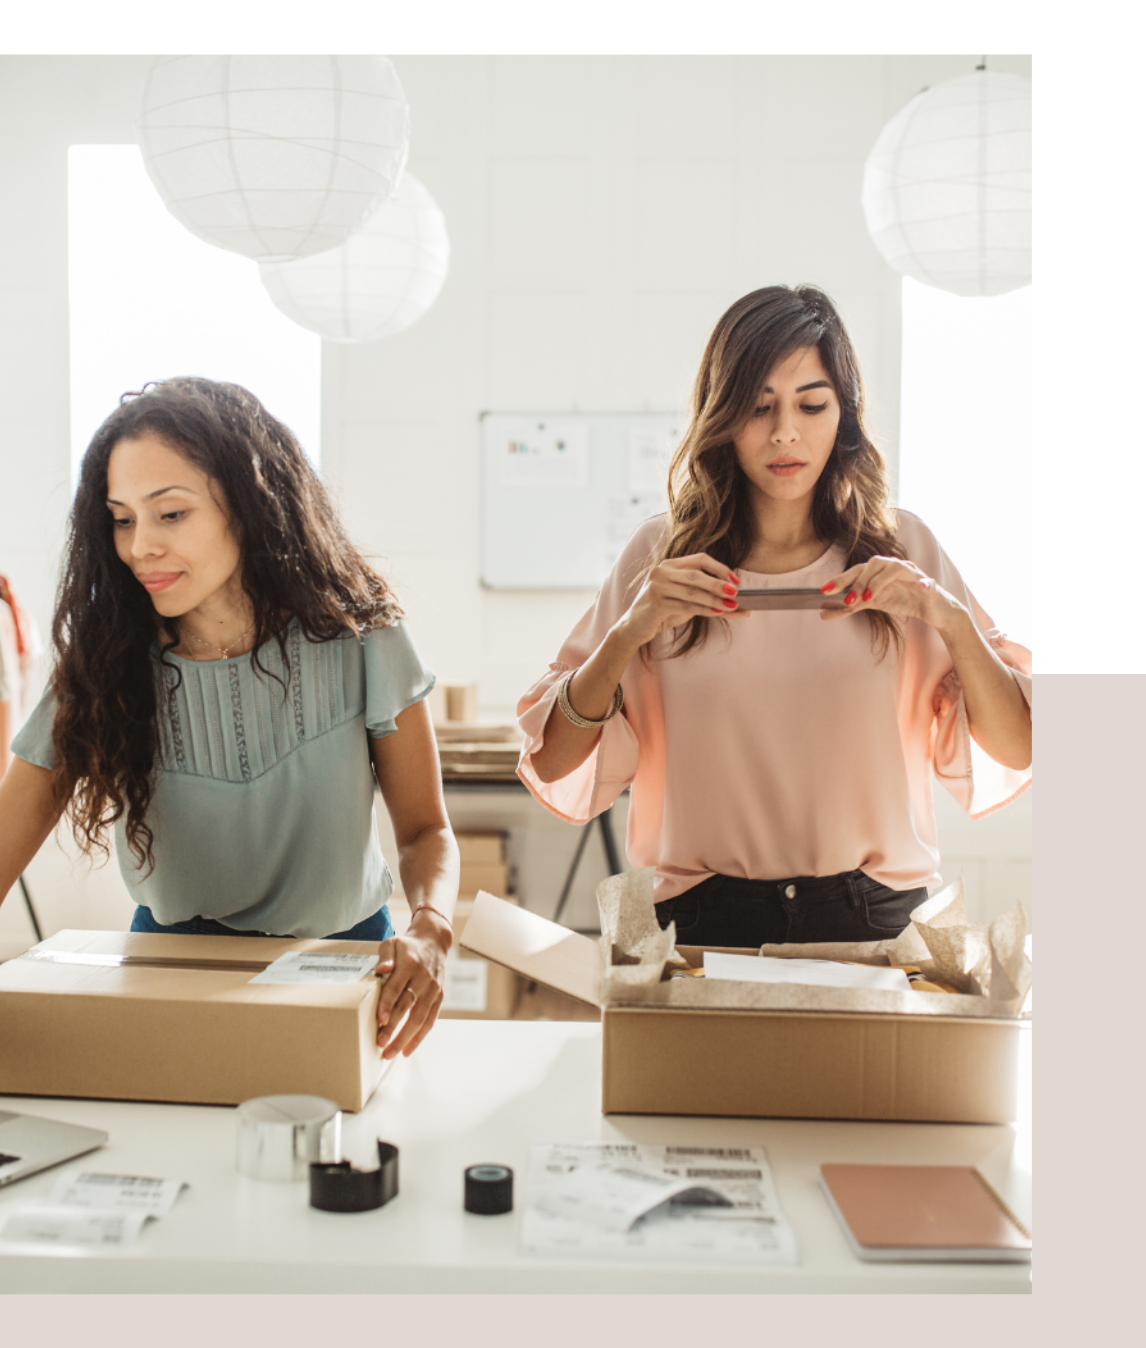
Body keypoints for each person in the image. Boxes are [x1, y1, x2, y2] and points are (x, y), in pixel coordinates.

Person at [517, 285, 1032, 948]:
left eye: (811, 404)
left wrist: (952, 622)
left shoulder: (904, 551)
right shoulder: (660, 555)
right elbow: (555, 762)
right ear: (722, 417)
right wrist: (624, 636)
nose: (785, 431)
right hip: (702, 919)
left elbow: (1017, 745)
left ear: (842, 414)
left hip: (874, 918)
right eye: (759, 407)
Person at [0, 377, 459, 1059]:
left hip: (346, 968)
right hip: (169, 971)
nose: (140, 547)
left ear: (247, 506)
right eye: (122, 519)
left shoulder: (365, 641)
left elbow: (425, 831)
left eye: (171, 514)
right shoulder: (102, 665)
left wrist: (431, 927)